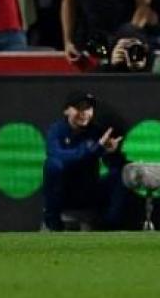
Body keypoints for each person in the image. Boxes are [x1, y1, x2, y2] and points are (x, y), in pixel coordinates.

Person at [42, 90, 128, 231]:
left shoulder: (97, 131)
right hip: (64, 193)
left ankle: (110, 226)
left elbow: (112, 163)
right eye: (78, 108)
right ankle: (53, 225)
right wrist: (95, 149)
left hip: (88, 190)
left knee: (119, 174)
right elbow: (58, 156)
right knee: (53, 165)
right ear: (66, 111)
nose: (84, 113)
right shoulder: (56, 130)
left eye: (88, 108)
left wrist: (111, 152)